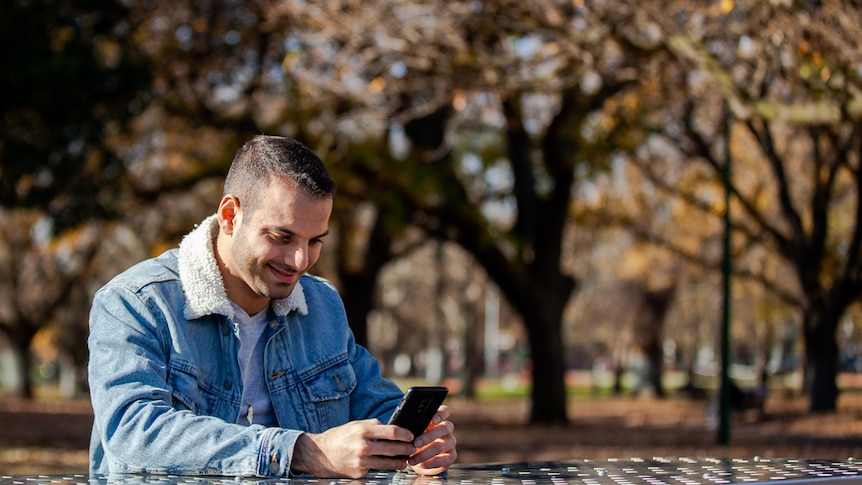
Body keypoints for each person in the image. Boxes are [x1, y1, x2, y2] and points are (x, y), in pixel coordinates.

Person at [87, 135, 457, 478]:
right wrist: (301, 451)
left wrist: (418, 440)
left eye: (315, 241)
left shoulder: (321, 303)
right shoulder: (134, 302)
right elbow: (133, 433)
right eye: (282, 237)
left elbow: (374, 405)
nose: (299, 261)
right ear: (230, 215)